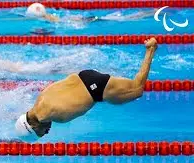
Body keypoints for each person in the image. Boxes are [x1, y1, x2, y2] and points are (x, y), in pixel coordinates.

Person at [14, 37, 158, 141]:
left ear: (33, 127)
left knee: (137, 89)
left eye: (41, 134)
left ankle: (151, 48)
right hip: (84, 75)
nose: (46, 132)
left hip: (97, 88)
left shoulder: (48, 115)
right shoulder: (38, 102)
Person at [25, 3, 158, 23]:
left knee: (122, 18)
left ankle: (148, 13)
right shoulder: (50, 16)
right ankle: (149, 13)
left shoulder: (51, 19)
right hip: (86, 19)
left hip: (89, 20)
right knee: (122, 17)